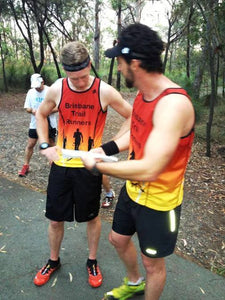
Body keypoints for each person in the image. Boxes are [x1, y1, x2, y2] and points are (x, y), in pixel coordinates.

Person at [81, 23, 195, 300]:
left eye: (120, 62)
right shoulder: (144, 95)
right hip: (133, 191)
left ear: (135, 62)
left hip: (159, 201)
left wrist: (98, 166)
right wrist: (104, 148)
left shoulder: (173, 105)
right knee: (117, 239)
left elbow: (150, 168)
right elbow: (136, 134)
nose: (118, 68)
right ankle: (134, 284)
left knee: (152, 263)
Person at [34, 41, 132, 288]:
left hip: (89, 167)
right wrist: (45, 145)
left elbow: (134, 117)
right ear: (65, 71)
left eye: (83, 76)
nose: (78, 82)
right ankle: (53, 260)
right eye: (73, 77)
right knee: (55, 219)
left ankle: (91, 261)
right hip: (62, 164)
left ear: (90, 65)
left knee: (92, 217)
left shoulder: (105, 91)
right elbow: (41, 114)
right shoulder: (57, 88)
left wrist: (110, 146)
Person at [18, 74, 57, 177]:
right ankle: (26, 165)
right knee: (30, 144)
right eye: (35, 86)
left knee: (51, 144)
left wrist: (46, 112)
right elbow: (27, 108)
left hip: (49, 124)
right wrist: (33, 111)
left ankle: (54, 165)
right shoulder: (31, 92)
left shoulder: (50, 91)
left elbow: (58, 107)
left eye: (38, 86)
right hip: (35, 124)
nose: (37, 88)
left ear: (42, 82)